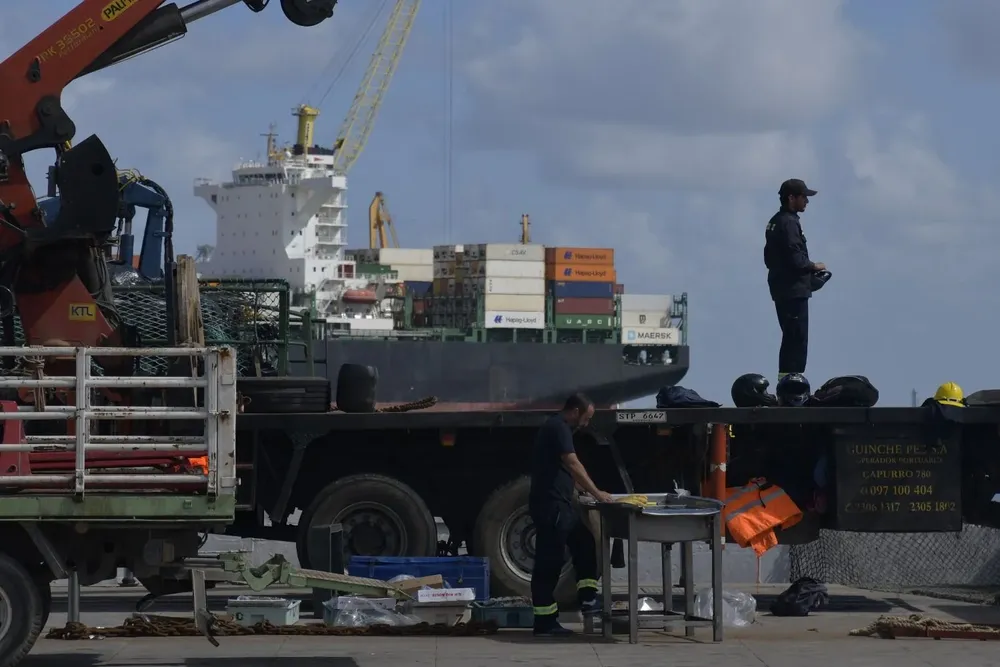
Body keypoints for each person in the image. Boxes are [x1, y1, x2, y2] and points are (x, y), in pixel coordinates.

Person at [529, 393, 613, 637]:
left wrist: (582, 491)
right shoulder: (559, 427)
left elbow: (561, 471)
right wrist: (597, 493)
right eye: (585, 418)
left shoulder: (557, 428)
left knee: (585, 544)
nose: (585, 424)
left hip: (561, 505)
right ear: (575, 412)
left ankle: (588, 598)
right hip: (551, 507)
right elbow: (572, 463)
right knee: (549, 564)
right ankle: (544, 622)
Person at [764, 178, 826, 379]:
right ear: (791, 198)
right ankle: (792, 383)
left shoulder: (775, 221)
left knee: (791, 337)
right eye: (803, 197)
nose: (806, 202)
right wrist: (813, 266)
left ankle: (788, 381)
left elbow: (771, 258)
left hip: (783, 287)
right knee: (796, 339)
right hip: (792, 290)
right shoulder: (788, 222)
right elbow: (795, 257)